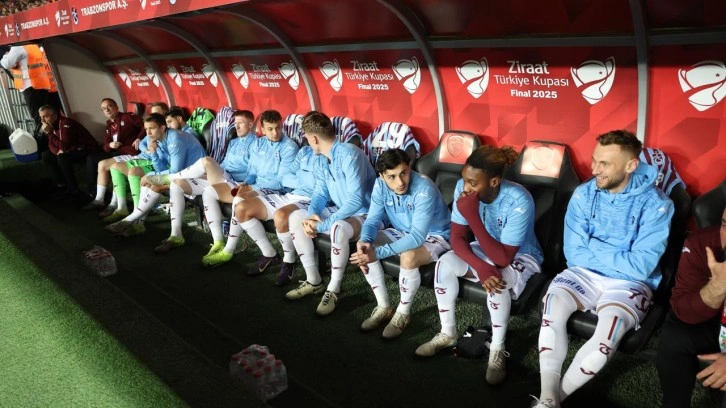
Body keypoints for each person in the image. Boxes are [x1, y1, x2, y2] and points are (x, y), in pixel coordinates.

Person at [533, 130, 674, 408]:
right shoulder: (583, 194)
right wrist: (617, 256)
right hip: (583, 273)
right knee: (552, 309)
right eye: (594, 160)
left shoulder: (658, 205)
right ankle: (548, 398)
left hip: (630, 284)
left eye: (605, 164)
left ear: (631, 165)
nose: (595, 169)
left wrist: (593, 244)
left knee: (606, 338)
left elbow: (640, 267)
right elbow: (574, 254)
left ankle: (554, 400)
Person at [415, 145, 542, 385]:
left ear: (494, 182)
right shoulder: (463, 189)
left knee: (497, 279)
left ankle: (497, 349)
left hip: (521, 256)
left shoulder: (519, 199)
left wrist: (472, 215)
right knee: (444, 264)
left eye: (473, 183)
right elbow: (457, 238)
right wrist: (480, 267)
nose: (466, 187)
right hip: (485, 248)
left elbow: (503, 258)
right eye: (464, 179)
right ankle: (447, 332)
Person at [349, 148, 451, 337]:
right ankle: (383, 307)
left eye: (404, 173)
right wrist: (365, 241)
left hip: (435, 236)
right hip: (402, 231)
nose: (400, 182)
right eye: (392, 177)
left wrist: (377, 253)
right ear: (382, 176)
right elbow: (372, 220)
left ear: (409, 167)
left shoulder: (424, 188)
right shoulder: (380, 185)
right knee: (366, 246)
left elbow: (417, 237)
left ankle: (403, 313)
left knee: (408, 256)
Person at [285, 112, 377, 315]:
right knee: (296, 218)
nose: (307, 142)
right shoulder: (320, 158)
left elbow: (356, 200)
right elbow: (320, 192)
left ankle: (333, 289)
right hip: (341, 209)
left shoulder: (350, 154)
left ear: (314, 138)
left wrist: (323, 225)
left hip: (366, 213)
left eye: (307, 138)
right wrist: (312, 214)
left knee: (337, 228)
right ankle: (314, 281)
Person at [200, 110, 299, 267]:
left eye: (278, 127)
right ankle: (218, 241)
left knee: (239, 200)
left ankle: (229, 250)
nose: (275, 132)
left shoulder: (289, 147)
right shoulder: (258, 144)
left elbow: (281, 182)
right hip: (255, 186)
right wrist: (245, 183)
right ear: (262, 129)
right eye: (270, 129)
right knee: (209, 191)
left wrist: (251, 187)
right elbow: (252, 172)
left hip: (276, 191)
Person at [153, 109, 257, 252]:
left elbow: (253, 171)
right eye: (235, 123)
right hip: (223, 177)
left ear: (250, 125)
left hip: (236, 182)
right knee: (177, 184)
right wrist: (211, 173)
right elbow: (224, 164)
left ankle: (166, 177)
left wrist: (243, 183)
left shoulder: (257, 144)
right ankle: (176, 235)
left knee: (207, 161)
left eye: (241, 123)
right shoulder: (233, 142)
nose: (236, 127)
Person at [657, 207, 726, 408]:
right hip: (714, 323)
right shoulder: (702, 244)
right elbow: (682, 309)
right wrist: (717, 288)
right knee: (674, 337)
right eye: (725, 225)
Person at [104, 113, 205, 237]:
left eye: (151, 128)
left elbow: (175, 171)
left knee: (152, 181)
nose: (148, 133)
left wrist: (152, 175)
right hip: (181, 173)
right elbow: (161, 168)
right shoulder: (158, 139)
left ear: (162, 128)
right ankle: (138, 224)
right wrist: (153, 153)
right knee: (148, 182)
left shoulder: (175, 139)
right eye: (146, 129)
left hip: (195, 175)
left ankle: (131, 220)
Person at [83, 98, 145, 213]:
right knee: (99, 162)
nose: (107, 110)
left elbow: (145, 126)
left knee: (106, 165)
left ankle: (110, 202)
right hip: (118, 152)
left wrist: (139, 138)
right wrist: (110, 145)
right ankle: (99, 199)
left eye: (109, 106)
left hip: (131, 153)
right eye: (103, 109)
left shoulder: (128, 117)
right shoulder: (109, 126)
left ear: (116, 107)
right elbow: (105, 145)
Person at [38, 105, 99, 201]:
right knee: (47, 155)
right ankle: (61, 184)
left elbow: (64, 146)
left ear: (55, 116)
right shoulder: (50, 124)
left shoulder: (66, 123)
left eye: (45, 116)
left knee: (63, 157)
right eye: (41, 117)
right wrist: (57, 151)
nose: (42, 120)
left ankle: (74, 190)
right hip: (70, 149)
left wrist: (49, 133)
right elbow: (50, 144)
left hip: (87, 149)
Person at [1, 44, 50, 127]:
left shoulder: (18, 47)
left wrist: (5, 56)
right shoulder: (34, 46)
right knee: (46, 114)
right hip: (41, 84)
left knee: (38, 117)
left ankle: (44, 133)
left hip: (29, 86)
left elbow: (6, 63)